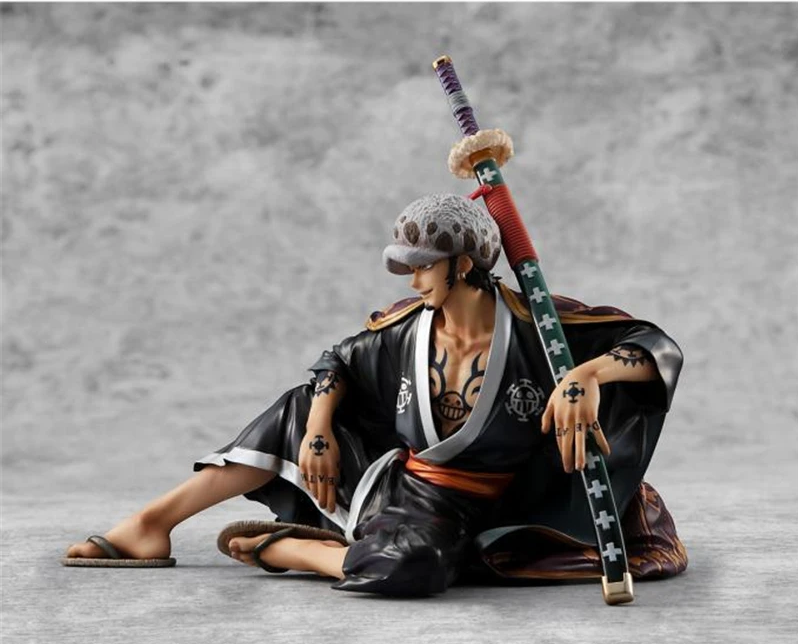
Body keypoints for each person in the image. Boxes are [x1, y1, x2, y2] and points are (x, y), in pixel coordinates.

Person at [65, 193, 687, 595]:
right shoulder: (405, 328)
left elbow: (653, 345)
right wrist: (318, 428)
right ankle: (150, 525)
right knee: (298, 407)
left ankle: (289, 550)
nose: (413, 281)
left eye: (423, 265)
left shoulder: (538, 328)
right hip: (403, 484)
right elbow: (334, 361)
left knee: (409, 570)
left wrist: (584, 376)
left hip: (493, 504)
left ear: (463, 264)